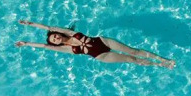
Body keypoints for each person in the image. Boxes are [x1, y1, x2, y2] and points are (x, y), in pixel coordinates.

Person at [15, 19, 175, 68]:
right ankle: (161, 65)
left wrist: (30, 24)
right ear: (56, 44)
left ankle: (163, 59)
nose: (56, 39)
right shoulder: (66, 49)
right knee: (131, 59)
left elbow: (50, 28)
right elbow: (45, 46)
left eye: (55, 36)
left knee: (133, 51)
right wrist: (27, 43)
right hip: (101, 55)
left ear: (58, 34)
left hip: (103, 41)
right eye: (54, 41)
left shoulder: (69, 32)